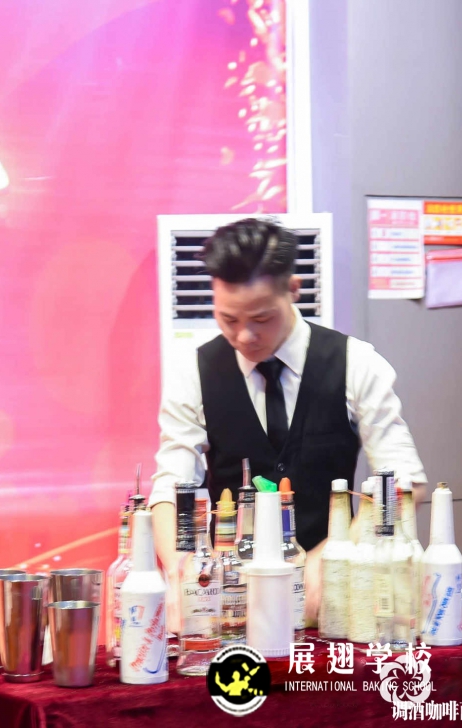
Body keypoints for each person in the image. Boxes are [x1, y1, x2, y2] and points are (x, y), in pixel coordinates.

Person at [148, 218, 426, 632]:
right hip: (232, 602)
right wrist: (181, 569)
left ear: (293, 289)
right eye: (228, 319)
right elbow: (172, 486)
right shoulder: (194, 372)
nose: (245, 336)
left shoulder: (356, 363)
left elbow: (406, 484)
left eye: (261, 318)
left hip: (330, 597)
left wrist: (331, 554)